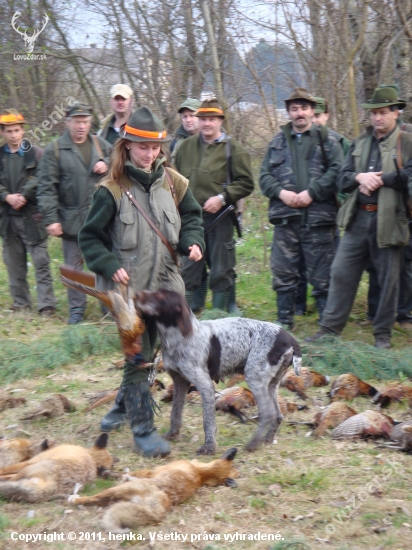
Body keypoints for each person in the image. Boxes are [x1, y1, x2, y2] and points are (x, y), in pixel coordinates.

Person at [79, 106, 205, 457]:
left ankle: (121, 406)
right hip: (128, 291)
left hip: (166, 286)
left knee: (158, 350)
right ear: (127, 145)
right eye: (141, 147)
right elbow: (90, 238)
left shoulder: (174, 182)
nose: (149, 154)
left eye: (155, 148)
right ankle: (142, 430)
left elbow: (192, 217)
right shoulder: (112, 190)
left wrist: (193, 241)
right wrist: (108, 263)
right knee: (139, 355)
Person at [305, 86, 412, 349]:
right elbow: (342, 179)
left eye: (383, 112)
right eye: (374, 113)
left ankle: (382, 335)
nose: (377, 118)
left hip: (390, 221)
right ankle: (329, 330)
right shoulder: (360, 142)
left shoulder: (407, 141)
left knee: (388, 280)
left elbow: (409, 175)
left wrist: (379, 180)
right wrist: (358, 177)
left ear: (396, 113)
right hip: (357, 220)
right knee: (341, 273)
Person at [259, 88, 343, 330]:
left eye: (304, 108)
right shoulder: (277, 142)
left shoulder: (327, 140)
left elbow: (338, 170)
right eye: (294, 109)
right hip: (287, 220)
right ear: (289, 112)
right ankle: (285, 321)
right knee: (283, 273)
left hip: (319, 220)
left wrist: (312, 193)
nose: (299, 113)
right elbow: (264, 176)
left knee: (322, 275)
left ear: (312, 110)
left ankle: (326, 326)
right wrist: (282, 193)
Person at [175, 98, 254, 313]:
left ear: (220, 120)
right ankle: (186, 320)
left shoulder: (233, 149)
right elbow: (174, 180)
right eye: (203, 119)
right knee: (188, 269)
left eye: (211, 119)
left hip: (221, 220)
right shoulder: (185, 148)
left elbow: (246, 183)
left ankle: (219, 319)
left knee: (221, 271)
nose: (206, 123)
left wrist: (222, 197)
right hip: (191, 220)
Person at [36, 103, 112, 324]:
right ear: (67, 122)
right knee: (74, 266)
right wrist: (51, 219)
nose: (81, 126)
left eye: (85, 122)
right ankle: (77, 310)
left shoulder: (100, 145)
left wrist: (106, 163)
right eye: (77, 121)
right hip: (71, 221)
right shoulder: (55, 149)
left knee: (104, 265)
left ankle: (108, 307)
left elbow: (121, 158)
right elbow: (46, 187)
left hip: (100, 220)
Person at [295, 96, 351, 317]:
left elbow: (346, 176)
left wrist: (343, 203)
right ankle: (298, 304)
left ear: (326, 116)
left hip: (328, 212)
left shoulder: (337, 142)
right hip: (300, 213)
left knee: (328, 261)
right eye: (313, 115)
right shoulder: (298, 140)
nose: (315, 120)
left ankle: (328, 305)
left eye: (318, 115)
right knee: (297, 260)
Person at [0, 109, 56, 316]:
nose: (14, 135)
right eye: (9, 131)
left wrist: (24, 194)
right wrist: (7, 196)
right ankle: (21, 303)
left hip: (33, 218)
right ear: (3, 132)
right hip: (8, 219)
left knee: (41, 262)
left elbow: (45, 178)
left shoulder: (36, 153)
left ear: (23, 130)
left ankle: (46, 305)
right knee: (14, 264)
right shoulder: (0, 156)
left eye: (17, 130)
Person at [169, 98, 201, 163]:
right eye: (185, 117)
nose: (188, 120)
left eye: (192, 116)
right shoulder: (174, 143)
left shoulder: (211, 140)